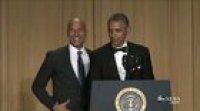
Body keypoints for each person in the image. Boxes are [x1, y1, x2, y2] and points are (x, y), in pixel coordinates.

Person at [32, 18, 91, 111]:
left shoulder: (94, 56)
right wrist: (54, 106)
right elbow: (37, 86)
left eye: (80, 30)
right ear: (67, 33)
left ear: (86, 32)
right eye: (72, 30)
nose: (76, 34)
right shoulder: (54, 56)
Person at [89, 13, 154, 81]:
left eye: (118, 30)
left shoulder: (141, 52)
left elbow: (149, 84)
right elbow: (96, 87)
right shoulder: (98, 55)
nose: (113, 35)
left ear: (127, 30)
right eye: (110, 31)